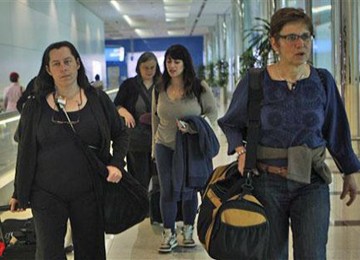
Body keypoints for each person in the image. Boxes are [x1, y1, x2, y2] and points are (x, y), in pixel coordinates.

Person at [218, 7, 359, 260]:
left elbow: (336, 130)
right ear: (274, 43)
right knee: (272, 254)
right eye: (291, 37)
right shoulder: (256, 81)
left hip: (311, 182)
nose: (300, 44)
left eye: (305, 37)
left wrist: (349, 170)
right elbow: (230, 123)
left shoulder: (322, 81)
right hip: (266, 182)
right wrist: (240, 151)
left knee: (313, 253)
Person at [9, 41, 129, 259]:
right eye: (56, 64)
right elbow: (25, 151)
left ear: (77, 64)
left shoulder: (98, 100)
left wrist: (116, 163)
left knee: (91, 251)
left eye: (67, 62)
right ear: (48, 69)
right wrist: (19, 191)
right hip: (46, 193)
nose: (63, 68)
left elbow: (121, 133)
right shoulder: (35, 107)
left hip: (89, 191)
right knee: (48, 253)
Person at [152, 44, 218, 253]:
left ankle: (188, 230)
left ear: (185, 64)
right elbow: (156, 118)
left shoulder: (199, 87)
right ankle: (169, 232)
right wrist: (153, 147)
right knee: (167, 189)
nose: (172, 66)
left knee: (189, 188)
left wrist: (194, 127)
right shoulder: (159, 88)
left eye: (176, 61)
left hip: (191, 147)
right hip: (165, 145)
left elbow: (212, 113)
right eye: (169, 61)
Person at [114, 52, 162, 189]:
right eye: (145, 67)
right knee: (139, 179)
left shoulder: (162, 85)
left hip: (159, 138)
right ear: (139, 67)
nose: (149, 71)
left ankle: (155, 208)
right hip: (136, 139)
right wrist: (123, 111)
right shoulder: (129, 85)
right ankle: (141, 208)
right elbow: (116, 104)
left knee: (159, 180)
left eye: (152, 67)